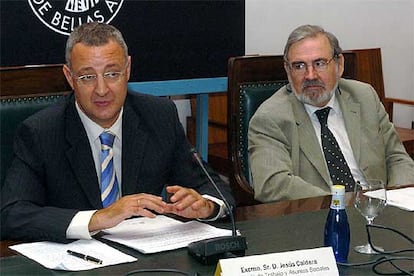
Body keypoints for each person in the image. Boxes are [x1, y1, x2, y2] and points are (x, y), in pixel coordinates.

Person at [1, 22, 235, 242]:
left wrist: (206, 206)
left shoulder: (158, 116)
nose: (101, 90)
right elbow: (12, 214)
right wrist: (97, 218)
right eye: (87, 77)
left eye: (112, 73)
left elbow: (214, 189)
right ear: (69, 78)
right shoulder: (41, 132)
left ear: (128, 69)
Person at [248, 24, 414, 202]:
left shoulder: (364, 96)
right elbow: (273, 185)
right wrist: (342, 204)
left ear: (339, 64)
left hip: (380, 210)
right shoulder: (270, 118)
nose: (310, 75)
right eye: (299, 66)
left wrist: (396, 201)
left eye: (319, 63)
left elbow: (397, 158)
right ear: (288, 70)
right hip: (317, 218)